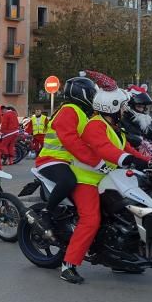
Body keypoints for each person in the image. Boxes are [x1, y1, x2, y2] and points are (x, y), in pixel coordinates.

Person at [61, 81, 150, 284]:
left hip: (108, 179)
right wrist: (126, 159)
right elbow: (104, 149)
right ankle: (68, 265)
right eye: (123, 106)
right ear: (113, 106)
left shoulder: (114, 127)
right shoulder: (95, 125)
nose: (125, 109)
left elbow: (128, 149)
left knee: (128, 212)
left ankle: (121, 257)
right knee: (90, 220)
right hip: (87, 179)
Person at [28, 73, 102, 240]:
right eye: (91, 94)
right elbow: (71, 141)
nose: (93, 98)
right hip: (51, 160)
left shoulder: (84, 113)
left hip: (70, 161)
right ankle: (47, 212)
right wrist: (94, 161)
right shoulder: (69, 110)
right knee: (69, 181)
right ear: (81, 94)